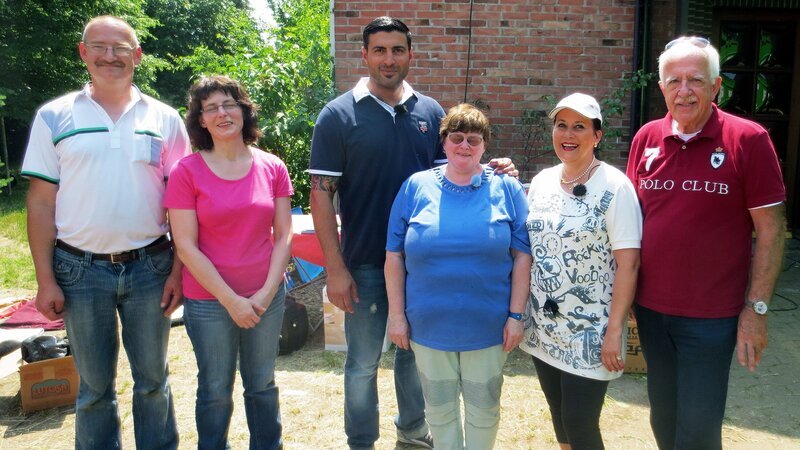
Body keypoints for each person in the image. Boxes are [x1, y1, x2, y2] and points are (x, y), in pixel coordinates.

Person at [309, 16, 516, 450]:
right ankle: (361, 441)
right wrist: (335, 268)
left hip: (421, 267)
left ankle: (413, 434)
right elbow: (321, 196)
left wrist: (497, 168)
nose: (389, 59)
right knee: (363, 363)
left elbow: (457, 168)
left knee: (413, 357)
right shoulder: (337, 115)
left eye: (397, 50)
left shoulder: (430, 112)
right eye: (379, 50)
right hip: (365, 261)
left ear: (409, 55)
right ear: (364, 55)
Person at [21, 16, 188, 449]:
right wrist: (46, 279)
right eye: (99, 47)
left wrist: (178, 272)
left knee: (153, 381)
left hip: (151, 266)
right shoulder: (54, 116)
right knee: (94, 391)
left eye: (120, 48)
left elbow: (184, 203)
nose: (109, 56)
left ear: (138, 55)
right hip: (79, 270)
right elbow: (40, 202)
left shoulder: (165, 118)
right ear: (83, 52)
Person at [626, 37, 786, 449]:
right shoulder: (646, 138)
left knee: (697, 430)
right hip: (651, 310)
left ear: (716, 86)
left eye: (695, 80)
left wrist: (757, 309)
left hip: (711, 318)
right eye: (674, 80)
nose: (684, 91)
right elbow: (628, 224)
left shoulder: (748, 139)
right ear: (661, 87)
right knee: (664, 418)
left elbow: (770, 230)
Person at [384, 104, 532, 450]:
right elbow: (394, 256)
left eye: (474, 139)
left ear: (485, 145)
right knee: (439, 412)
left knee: (484, 411)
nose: (465, 146)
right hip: (429, 329)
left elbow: (523, 256)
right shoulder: (415, 187)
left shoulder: (507, 189)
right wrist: (396, 317)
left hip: (488, 328)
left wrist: (516, 316)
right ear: (444, 141)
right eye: (457, 137)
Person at [164, 75, 293, 449]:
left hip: (266, 298)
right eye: (211, 108)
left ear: (244, 111)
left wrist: (267, 293)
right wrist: (231, 300)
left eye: (229, 104)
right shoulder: (187, 172)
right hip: (209, 302)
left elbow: (284, 235)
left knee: (262, 385)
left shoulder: (272, 167)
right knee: (216, 389)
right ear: (200, 120)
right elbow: (185, 246)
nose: (222, 113)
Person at [521, 93, 642, 449]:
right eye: (561, 125)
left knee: (580, 421)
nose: (568, 134)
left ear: (597, 135)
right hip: (545, 326)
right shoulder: (542, 181)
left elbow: (629, 263)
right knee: (559, 414)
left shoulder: (616, 187)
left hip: (592, 329)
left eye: (579, 126)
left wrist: (614, 330)